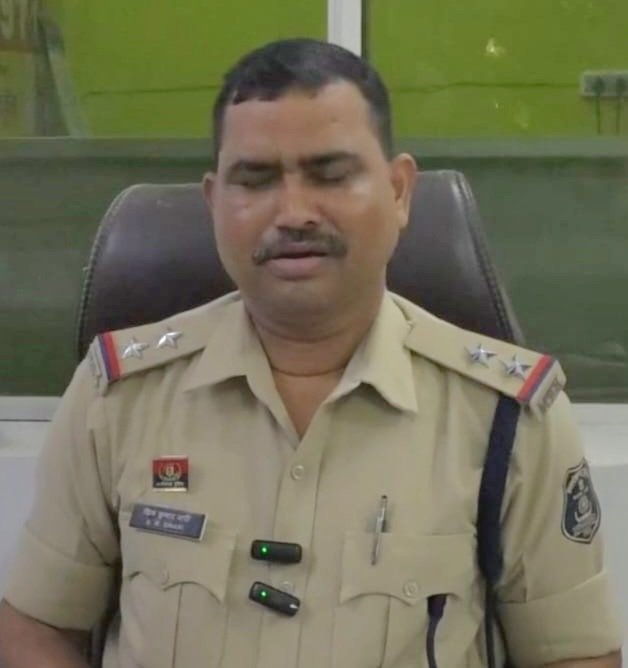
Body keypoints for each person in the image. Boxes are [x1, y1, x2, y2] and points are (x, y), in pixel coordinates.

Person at [0, 38, 622, 668]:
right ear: (215, 203)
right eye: (255, 179)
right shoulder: (117, 397)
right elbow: (35, 629)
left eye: (330, 175)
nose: (293, 212)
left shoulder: (508, 419)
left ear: (399, 191)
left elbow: (573, 656)